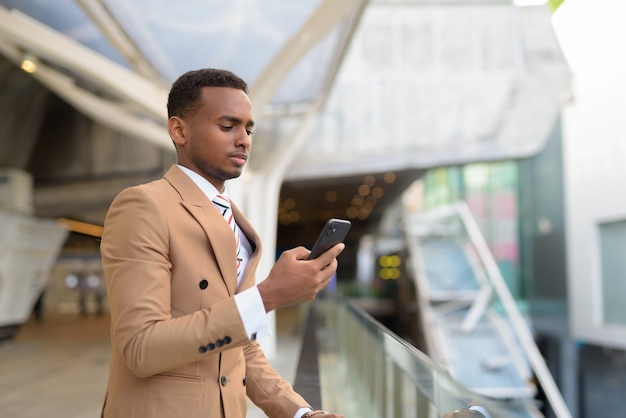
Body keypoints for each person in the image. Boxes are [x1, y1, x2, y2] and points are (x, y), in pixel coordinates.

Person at [99, 68, 345, 418]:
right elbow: (141, 347)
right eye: (228, 126)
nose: (243, 139)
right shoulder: (144, 206)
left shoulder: (233, 219)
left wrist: (300, 413)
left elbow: (237, 347)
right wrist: (269, 295)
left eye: (248, 128)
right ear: (179, 130)